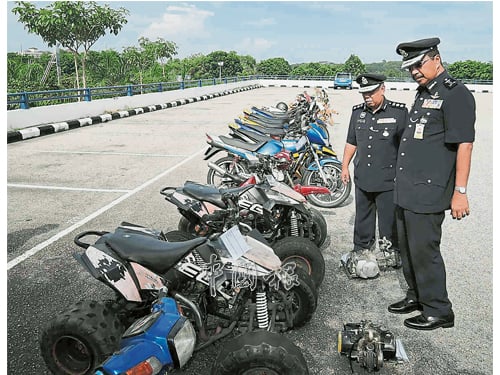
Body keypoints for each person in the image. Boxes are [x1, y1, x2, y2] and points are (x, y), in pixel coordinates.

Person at [388, 37, 475, 330]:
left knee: (425, 249)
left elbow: (464, 145)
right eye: (409, 67)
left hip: (429, 190)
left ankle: (439, 309)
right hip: (409, 188)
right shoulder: (424, 93)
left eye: (418, 64)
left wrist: (460, 192)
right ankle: (417, 296)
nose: (414, 71)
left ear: (436, 58)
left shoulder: (455, 94)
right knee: (408, 247)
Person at [341, 73, 408, 263]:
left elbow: (406, 147)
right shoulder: (357, 113)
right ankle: (362, 247)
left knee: (389, 219)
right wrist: (344, 166)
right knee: (363, 217)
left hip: (387, 178)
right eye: (364, 94)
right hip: (363, 176)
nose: (367, 97)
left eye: (371, 92)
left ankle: (390, 251)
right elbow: (351, 142)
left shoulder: (398, 113)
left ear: (382, 89)